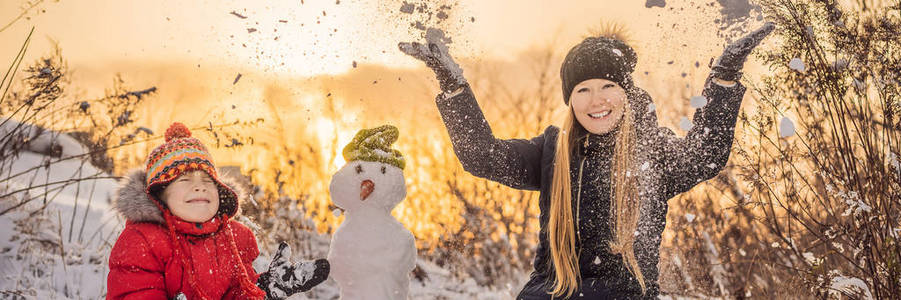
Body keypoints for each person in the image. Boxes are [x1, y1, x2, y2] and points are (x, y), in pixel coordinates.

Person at [399, 22, 774, 299]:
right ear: (571, 100)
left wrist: (724, 79)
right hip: (551, 290)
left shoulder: (651, 153)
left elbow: (703, 155)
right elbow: (484, 156)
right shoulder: (552, 152)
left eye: (609, 86)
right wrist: (453, 86)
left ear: (626, 93)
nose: (597, 100)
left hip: (626, 293)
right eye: (584, 90)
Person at [106, 122, 330, 300]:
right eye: (184, 180)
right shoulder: (142, 242)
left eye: (207, 180)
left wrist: (266, 289)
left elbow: (237, 293)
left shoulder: (233, 238)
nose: (199, 186)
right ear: (160, 195)